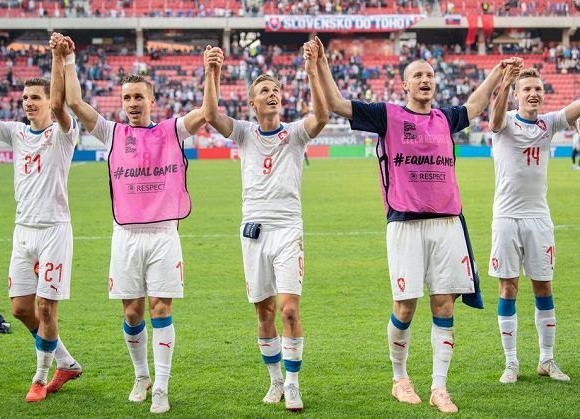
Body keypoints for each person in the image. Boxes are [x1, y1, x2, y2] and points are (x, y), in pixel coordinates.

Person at [313, 35, 521, 413]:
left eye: (430, 75)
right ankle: (399, 377)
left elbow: (475, 105)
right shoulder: (387, 115)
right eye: (417, 76)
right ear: (405, 85)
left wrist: (496, 72)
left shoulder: (445, 118)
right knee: (405, 305)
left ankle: (440, 387)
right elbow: (335, 103)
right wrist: (323, 61)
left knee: (444, 305)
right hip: (405, 225)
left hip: (447, 224)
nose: (425, 80)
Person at [55, 33, 209, 414]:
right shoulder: (112, 133)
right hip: (125, 234)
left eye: (139, 96)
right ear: (121, 103)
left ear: (152, 100)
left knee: (160, 309)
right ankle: (141, 375)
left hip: (163, 234)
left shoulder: (171, 130)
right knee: (131, 312)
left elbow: (207, 112)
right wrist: (68, 59)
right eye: (127, 97)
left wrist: (211, 71)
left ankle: (162, 387)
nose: (133, 103)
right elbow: (74, 102)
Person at [203, 40, 328, 412]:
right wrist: (213, 71)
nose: (271, 95)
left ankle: (292, 383)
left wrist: (311, 71)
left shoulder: (295, 133)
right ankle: (274, 380)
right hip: (253, 231)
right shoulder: (243, 132)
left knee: (289, 310)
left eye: (275, 90)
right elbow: (211, 115)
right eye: (263, 92)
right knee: (264, 313)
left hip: (288, 229)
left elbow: (320, 116)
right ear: (252, 104)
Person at [0, 42, 82, 403]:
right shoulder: (17, 132)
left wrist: (58, 59)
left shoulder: (63, 132)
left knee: (45, 307)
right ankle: (66, 362)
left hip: (54, 230)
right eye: (26, 97)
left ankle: (40, 377)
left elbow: (60, 105)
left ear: (46, 101)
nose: (28, 103)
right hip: (22, 231)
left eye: (35, 98)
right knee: (20, 309)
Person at [488, 67, 580, 384]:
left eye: (538, 89)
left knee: (543, 286)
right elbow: (493, 119)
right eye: (526, 88)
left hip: (539, 218)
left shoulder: (549, 123)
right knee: (508, 287)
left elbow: (575, 108)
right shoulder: (504, 122)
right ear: (516, 94)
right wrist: (502, 84)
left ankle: (547, 359)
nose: (533, 94)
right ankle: (511, 363)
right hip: (506, 218)